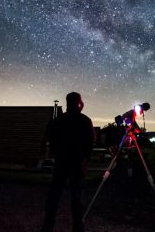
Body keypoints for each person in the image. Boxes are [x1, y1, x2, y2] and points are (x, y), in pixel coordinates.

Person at [41, 92, 94, 232]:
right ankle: (78, 228)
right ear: (79, 102)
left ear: (66, 102)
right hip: (77, 164)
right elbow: (90, 144)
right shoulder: (85, 120)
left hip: (61, 162)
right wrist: (85, 159)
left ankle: (47, 226)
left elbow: (49, 138)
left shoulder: (57, 120)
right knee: (76, 198)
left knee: (54, 196)